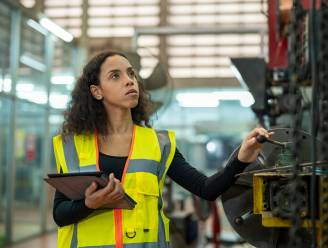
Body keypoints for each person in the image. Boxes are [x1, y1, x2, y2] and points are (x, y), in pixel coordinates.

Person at [51, 50, 271, 248]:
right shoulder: (73, 146)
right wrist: (90, 203)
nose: (129, 81)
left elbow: (206, 189)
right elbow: (60, 214)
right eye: (115, 76)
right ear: (97, 91)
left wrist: (240, 159)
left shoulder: (158, 144)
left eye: (131, 74)